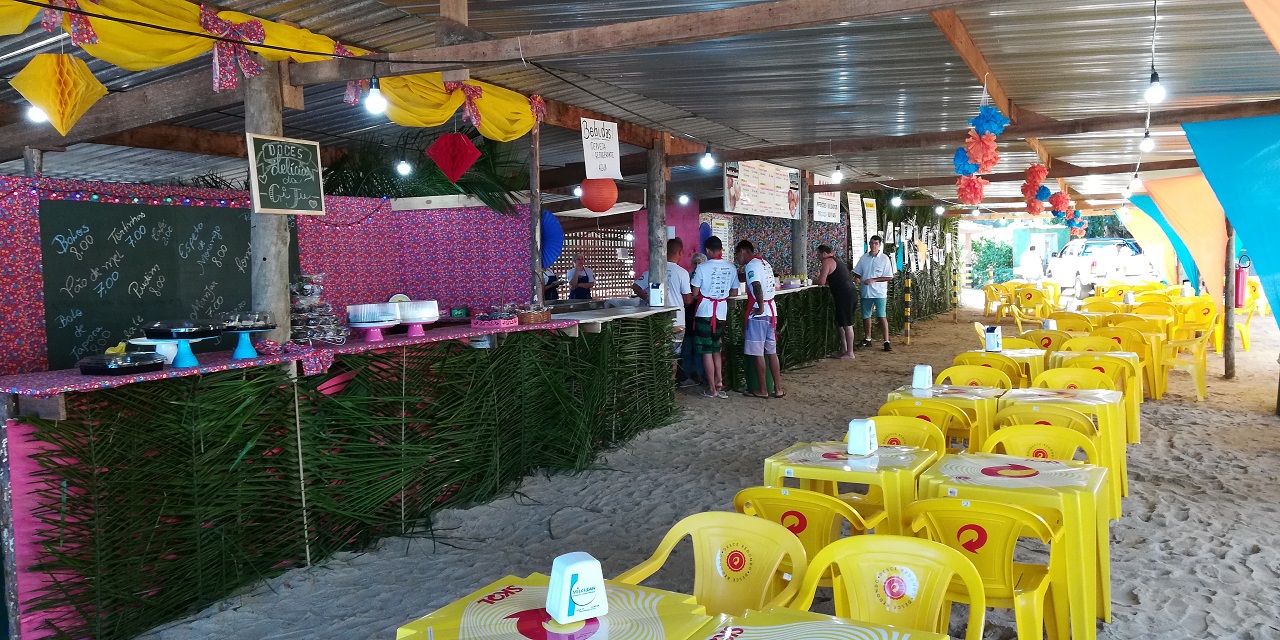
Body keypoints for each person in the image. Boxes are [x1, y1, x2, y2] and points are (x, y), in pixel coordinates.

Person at [633, 238, 694, 374]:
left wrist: (647, 298)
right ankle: (669, 390)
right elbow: (688, 299)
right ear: (679, 252)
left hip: (656, 320)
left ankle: (658, 387)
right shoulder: (682, 273)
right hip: (677, 321)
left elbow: (635, 286)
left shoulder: (653, 271)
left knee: (657, 355)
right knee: (673, 357)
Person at [690, 236, 739, 399]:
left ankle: (712, 389)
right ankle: (719, 380)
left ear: (708, 250)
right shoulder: (731, 267)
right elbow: (734, 292)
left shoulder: (702, 268)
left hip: (704, 312)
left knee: (706, 351)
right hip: (721, 313)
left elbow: (695, 293)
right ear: (721, 249)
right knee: (716, 348)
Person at [735, 240, 784, 399]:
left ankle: (762, 390)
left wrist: (760, 306)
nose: (737, 259)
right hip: (771, 313)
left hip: (760, 314)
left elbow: (756, 285)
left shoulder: (751, 266)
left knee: (757, 353)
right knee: (772, 352)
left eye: (737, 254)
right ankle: (778, 389)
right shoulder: (764, 263)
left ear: (743, 251)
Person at [853, 234, 895, 352]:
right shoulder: (864, 258)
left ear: (879, 245)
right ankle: (868, 338)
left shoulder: (884, 258)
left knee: (881, 315)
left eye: (876, 243)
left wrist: (874, 280)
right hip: (866, 291)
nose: (873, 246)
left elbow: (889, 277)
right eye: (871, 243)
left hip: (879, 292)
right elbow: (858, 273)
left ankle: (886, 341)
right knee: (866, 316)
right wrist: (857, 279)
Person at [816, 244, 856, 360]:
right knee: (842, 323)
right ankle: (844, 350)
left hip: (845, 295)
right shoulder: (836, 260)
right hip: (846, 294)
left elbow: (821, 282)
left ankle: (850, 352)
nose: (818, 257)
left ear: (824, 254)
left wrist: (814, 280)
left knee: (847, 324)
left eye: (818, 254)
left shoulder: (827, 262)